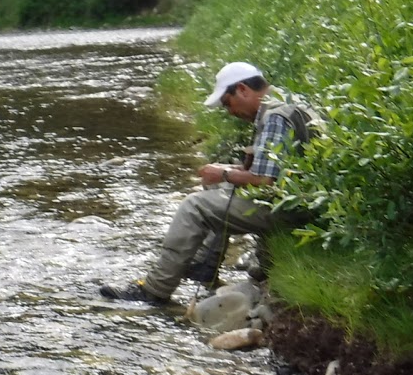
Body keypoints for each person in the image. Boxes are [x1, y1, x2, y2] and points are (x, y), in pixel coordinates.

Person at [100, 61, 317, 304]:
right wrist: (228, 171)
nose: (230, 112)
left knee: (194, 207)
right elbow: (277, 170)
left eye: (227, 103)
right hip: (307, 200)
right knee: (215, 187)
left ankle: (154, 291)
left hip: (294, 210)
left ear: (243, 90)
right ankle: (205, 265)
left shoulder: (275, 117)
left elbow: (265, 180)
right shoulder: (288, 101)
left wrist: (224, 174)